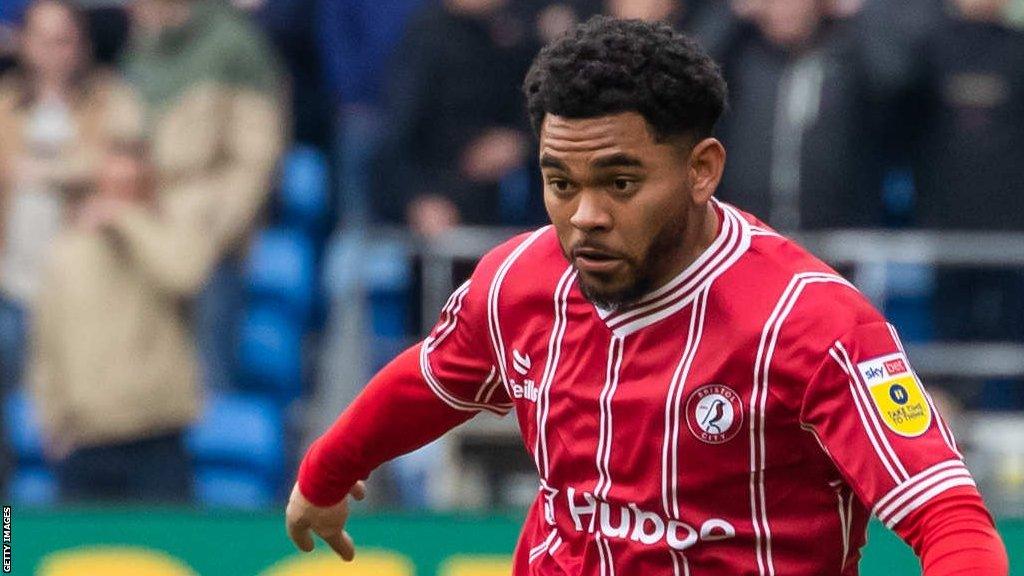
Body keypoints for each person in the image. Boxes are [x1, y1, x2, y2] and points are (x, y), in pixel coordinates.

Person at [286, 17, 1008, 575]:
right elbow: (432, 381)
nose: (584, 215)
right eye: (560, 184)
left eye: (620, 183)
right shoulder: (517, 281)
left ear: (702, 169)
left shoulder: (814, 325)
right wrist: (328, 470)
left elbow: (947, 517)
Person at [30, 137, 206, 503]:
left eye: (128, 186)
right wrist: (50, 416)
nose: (115, 196)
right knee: (78, 556)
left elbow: (185, 274)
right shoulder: (67, 252)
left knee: (168, 549)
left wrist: (128, 220)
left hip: (156, 439)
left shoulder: (170, 237)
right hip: (85, 442)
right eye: (109, 186)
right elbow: (48, 343)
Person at [122, 0, 286, 391]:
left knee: (205, 385)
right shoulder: (139, 47)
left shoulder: (235, 44)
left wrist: (210, 230)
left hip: (208, 239)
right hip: (141, 234)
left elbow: (256, 159)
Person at [0, 0, 139, 390]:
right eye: (42, 40)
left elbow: (128, 162)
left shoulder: (110, 98)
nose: (52, 52)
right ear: (24, 43)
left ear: (81, 44)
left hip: (82, 283)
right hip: (12, 279)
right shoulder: (5, 103)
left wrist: (51, 172)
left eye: (63, 40)